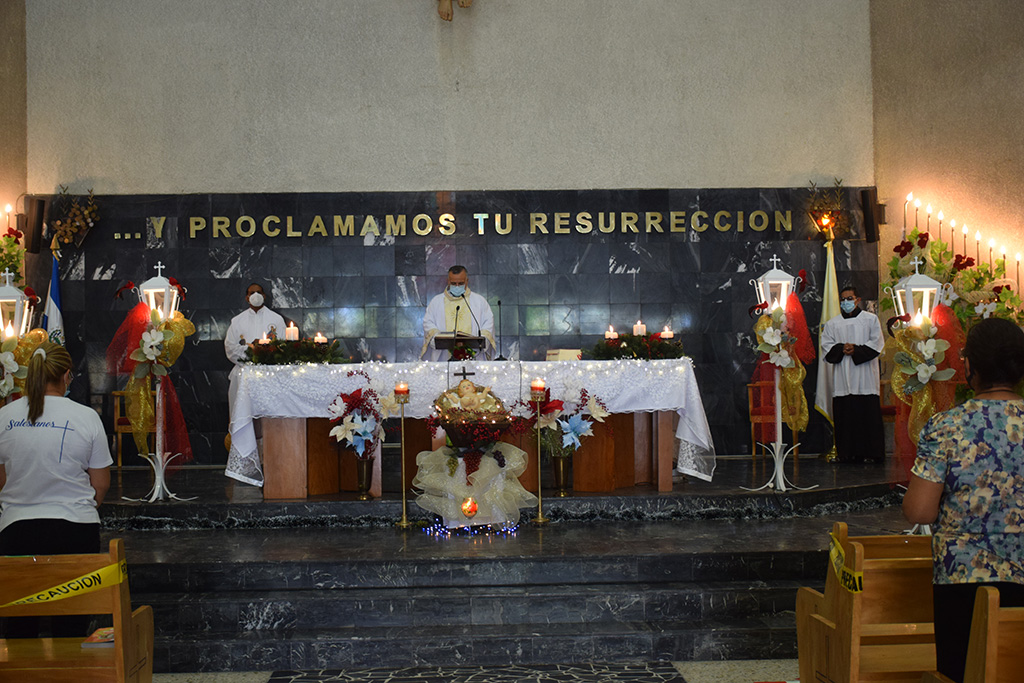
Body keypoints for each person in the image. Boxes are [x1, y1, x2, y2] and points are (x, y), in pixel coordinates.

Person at [903, 317, 1024, 683]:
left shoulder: (947, 426)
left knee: (963, 673)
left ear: (968, 365)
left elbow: (920, 510)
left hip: (963, 579)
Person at [0, 341, 112, 637]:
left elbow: (1, 480)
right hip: (75, 530)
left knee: (20, 623)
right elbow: (99, 485)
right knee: (72, 622)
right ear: (66, 375)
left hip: (16, 532)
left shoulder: (4, 416)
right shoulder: (86, 417)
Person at [820, 284, 885, 463]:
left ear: (858, 300)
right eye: (843, 299)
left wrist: (855, 350)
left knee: (867, 415)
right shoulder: (833, 323)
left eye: (850, 299)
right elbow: (826, 346)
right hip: (843, 377)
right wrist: (843, 348)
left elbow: (877, 343)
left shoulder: (870, 320)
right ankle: (847, 454)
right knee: (846, 416)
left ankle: (872, 454)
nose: (846, 302)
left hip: (865, 377)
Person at [224, 283, 287, 420]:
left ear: (264, 296)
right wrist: (251, 350)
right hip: (243, 375)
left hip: (270, 376)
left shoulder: (276, 319)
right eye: (251, 293)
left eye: (258, 292)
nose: (255, 296)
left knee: (269, 417)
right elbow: (230, 348)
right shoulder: (237, 321)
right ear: (247, 298)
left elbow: (284, 346)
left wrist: (266, 354)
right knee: (242, 417)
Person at [421, 265, 495, 361]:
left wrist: (481, 341)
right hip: (444, 358)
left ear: (467, 281)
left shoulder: (479, 301)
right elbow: (428, 323)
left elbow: (488, 324)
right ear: (448, 281)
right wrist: (439, 339)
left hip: (474, 357)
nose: (457, 286)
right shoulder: (436, 302)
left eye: (460, 283)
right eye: (453, 283)